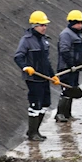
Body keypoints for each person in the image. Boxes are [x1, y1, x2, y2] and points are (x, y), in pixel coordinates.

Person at [14, 10, 59, 142]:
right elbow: (18, 57)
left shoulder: (44, 41)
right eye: (42, 25)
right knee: (35, 105)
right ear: (34, 25)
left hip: (44, 78)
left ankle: (35, 131)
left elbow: (47, 61)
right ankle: (32, 133)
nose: (44, 27)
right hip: (33, 79)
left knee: (46, 103)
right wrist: (25, 67)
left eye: (45, 25)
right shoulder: (26, 40)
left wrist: (53, 76)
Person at [55, 9, 82, 122]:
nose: (80, 24)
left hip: (75, 69)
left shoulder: (77, 35)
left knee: (72, 90)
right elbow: (64, 51)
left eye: (81, 22)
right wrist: (71, 65)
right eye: (78, 22)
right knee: (66, 90)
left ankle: (68, 115)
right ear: (72, 22)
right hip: (67, 68)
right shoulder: (66, 34)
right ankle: (59, 115)